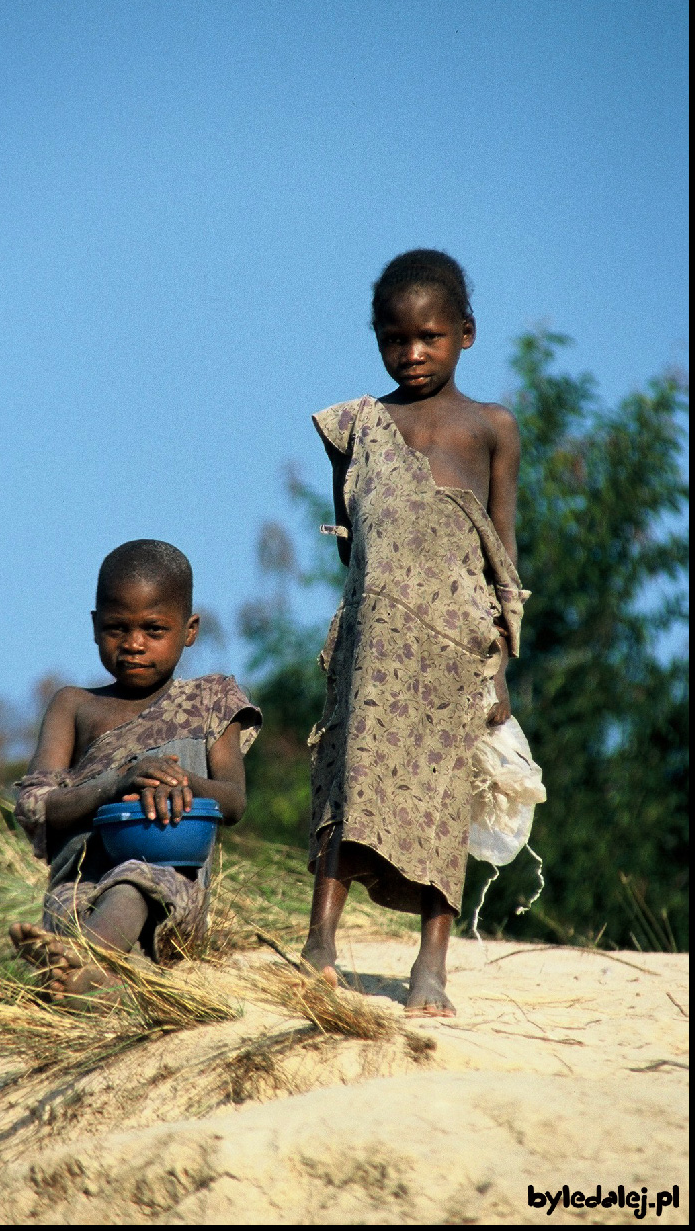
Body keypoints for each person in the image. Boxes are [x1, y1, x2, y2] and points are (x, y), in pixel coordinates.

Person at [301, 249, 529, 1017]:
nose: (412, 353)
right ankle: (319, 946)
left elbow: (503, 549)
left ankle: (431, 964)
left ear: (465, 333)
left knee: (444, 797)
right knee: (350, 783)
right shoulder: (358, 427)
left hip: (458, 648)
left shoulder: (490, 428)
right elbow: (351, 540)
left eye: (429, 336)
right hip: (375, 646)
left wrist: (500, 665)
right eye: (395, 339)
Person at [9, 539, 261, 999]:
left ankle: (77, 968)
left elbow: (235, 800)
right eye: (116, 628)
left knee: (132, 884)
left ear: (190, 630)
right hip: (80, 887)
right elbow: (32, 806)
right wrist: (114, 784)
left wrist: (184, 782)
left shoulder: (212, 699)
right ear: (93, 626)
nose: (133, 644)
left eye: (154, 629)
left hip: (171, 893)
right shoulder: (73, 706)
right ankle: (97, 987)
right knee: (74, 908)